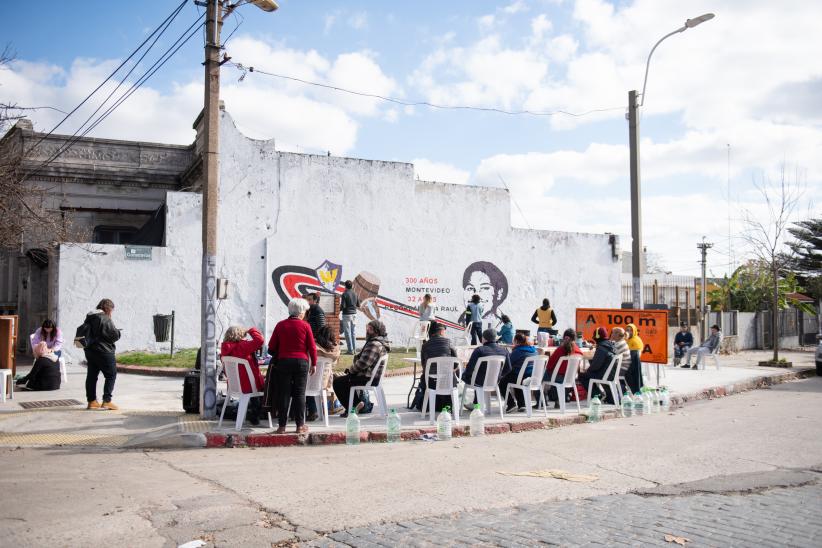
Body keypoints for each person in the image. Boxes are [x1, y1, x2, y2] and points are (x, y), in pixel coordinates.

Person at [266, 298, 317, 434]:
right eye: (305, 311)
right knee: (299, 394)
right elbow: (312, 347)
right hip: (301, 362)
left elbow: (271, 348)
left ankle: (282, 426)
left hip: (284, 362)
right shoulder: (306, 326)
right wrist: (314, 363)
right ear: (301, 312)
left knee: (284, 394)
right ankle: (300, 426)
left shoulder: (280, 325)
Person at [334, 320, 390, 416]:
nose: (367, 331)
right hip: (372, 377)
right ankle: (356, 403)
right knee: (344, 381)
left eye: (370, 329)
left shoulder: (374, 344)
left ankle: (353, 407)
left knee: (338, 382)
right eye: (367, 328)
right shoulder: (380, 342)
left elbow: (363, 363)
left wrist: (351, 371)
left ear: (377, 331)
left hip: (367, 377)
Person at [220, 325, 265, 426]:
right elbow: (260, 340)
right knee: (267, 386)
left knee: (256, 385)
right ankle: (256, 415)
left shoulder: (224, 348)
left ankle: (250, 414)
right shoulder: (242, 346)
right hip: (248, 386)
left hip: (233, 386)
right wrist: (251, 330)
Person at [81, 299, 121, 410]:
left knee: (92, 376)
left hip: (90, 350)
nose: (111, 313)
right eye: (111, 310)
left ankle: (92, 401)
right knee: (111, 374)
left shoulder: (90, 316)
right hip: (103, 351)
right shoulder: (104, 318)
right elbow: (114, 335)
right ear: (108, 308)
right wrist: (118, 332)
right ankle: (107, 401)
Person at [412, 321, 458, 412]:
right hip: (447, 382)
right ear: (441, 331)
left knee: (425, 378)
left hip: (430, 382)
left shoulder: (425, 345)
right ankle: (450, 405)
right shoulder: (448, 342)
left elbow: (424, 365)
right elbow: (455, 363)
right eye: (444, 331)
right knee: (453, 374)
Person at [461, 329, 512, 406]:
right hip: (494, 381)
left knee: (474, 375)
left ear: (483, 338)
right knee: (477, 375)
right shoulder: (504, 351)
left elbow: (470, 367)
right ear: (495, 338)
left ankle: (476, 404)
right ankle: (476, 403)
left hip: (479, 381)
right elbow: (508, 368)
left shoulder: (479, 350)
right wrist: (499, 376)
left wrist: (465, 376)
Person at [305, 324, 344, 420]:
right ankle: (314, 411)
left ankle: (310, 411)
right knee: (313, 384)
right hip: (324, 383)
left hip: (307, 382)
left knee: (305, 383)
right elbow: (334, 365)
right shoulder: (335, 351)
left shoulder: (312, 348)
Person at [462, 261, 509, 326]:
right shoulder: (462, 320)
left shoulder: (503, 323)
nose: (476, 294)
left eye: (484, 288)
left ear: (499, 293)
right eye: (470, 288)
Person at [500, 332, 538, 411]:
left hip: (522, 378)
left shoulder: (518, 351)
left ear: (516, 341)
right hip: (533, 377)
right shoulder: (534, 350)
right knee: (517, 377)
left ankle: (511, 404)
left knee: (502, 382)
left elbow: (508, 363)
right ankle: (522, 404)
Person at [579, 326, 617, 402]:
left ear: (597, 337)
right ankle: (599, 394)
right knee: (588, 373)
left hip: (604, 374)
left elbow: (596, 366)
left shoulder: (601, 348)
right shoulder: (610, 345)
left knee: (582, 376)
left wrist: (587, 370)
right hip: (611, 373)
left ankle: (597, 396)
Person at [624, 323, 644, 393]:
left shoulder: (636, 340)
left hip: (632, 364)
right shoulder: (626, 340)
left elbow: (635, 355)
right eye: (627, 330)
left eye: (630, 330)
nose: (628, 332)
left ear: (634, 331)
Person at [340, 280, 359, 354]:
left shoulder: (344, 294)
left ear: (345, 286)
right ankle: (354, 350)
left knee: (347, 332)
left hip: (347, 314)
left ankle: (350, 350)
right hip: (354, 314)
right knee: (353, 332)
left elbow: (343, 306)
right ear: (352, 286)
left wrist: (338, 310)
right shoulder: (355, 293)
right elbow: (358, 305)